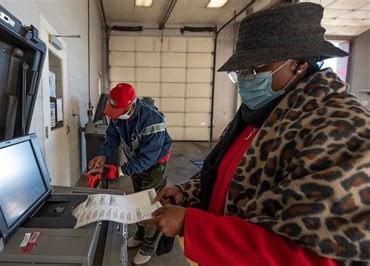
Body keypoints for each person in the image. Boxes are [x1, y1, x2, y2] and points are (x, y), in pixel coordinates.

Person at [142, 2, 370, 265]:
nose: (244, 79)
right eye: (239, 71)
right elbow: (230, 177)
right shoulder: (259, 113)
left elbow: (312, 257)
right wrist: (189, 192)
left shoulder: (340, 128)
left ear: (297, 65)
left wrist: (194, 226)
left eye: (254, 69)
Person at [88, 83, 172, 264]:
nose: (115, 115)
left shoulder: (153, 121)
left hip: (155, 163)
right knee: (138, 199)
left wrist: (120, 171)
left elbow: (149, 157)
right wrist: (103, 154)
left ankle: (149, 245)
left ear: (132, 105)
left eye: (118, 111)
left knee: (150, 202)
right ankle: (141, 234)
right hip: (136, 158)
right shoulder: (119, 114)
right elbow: (112, 136)